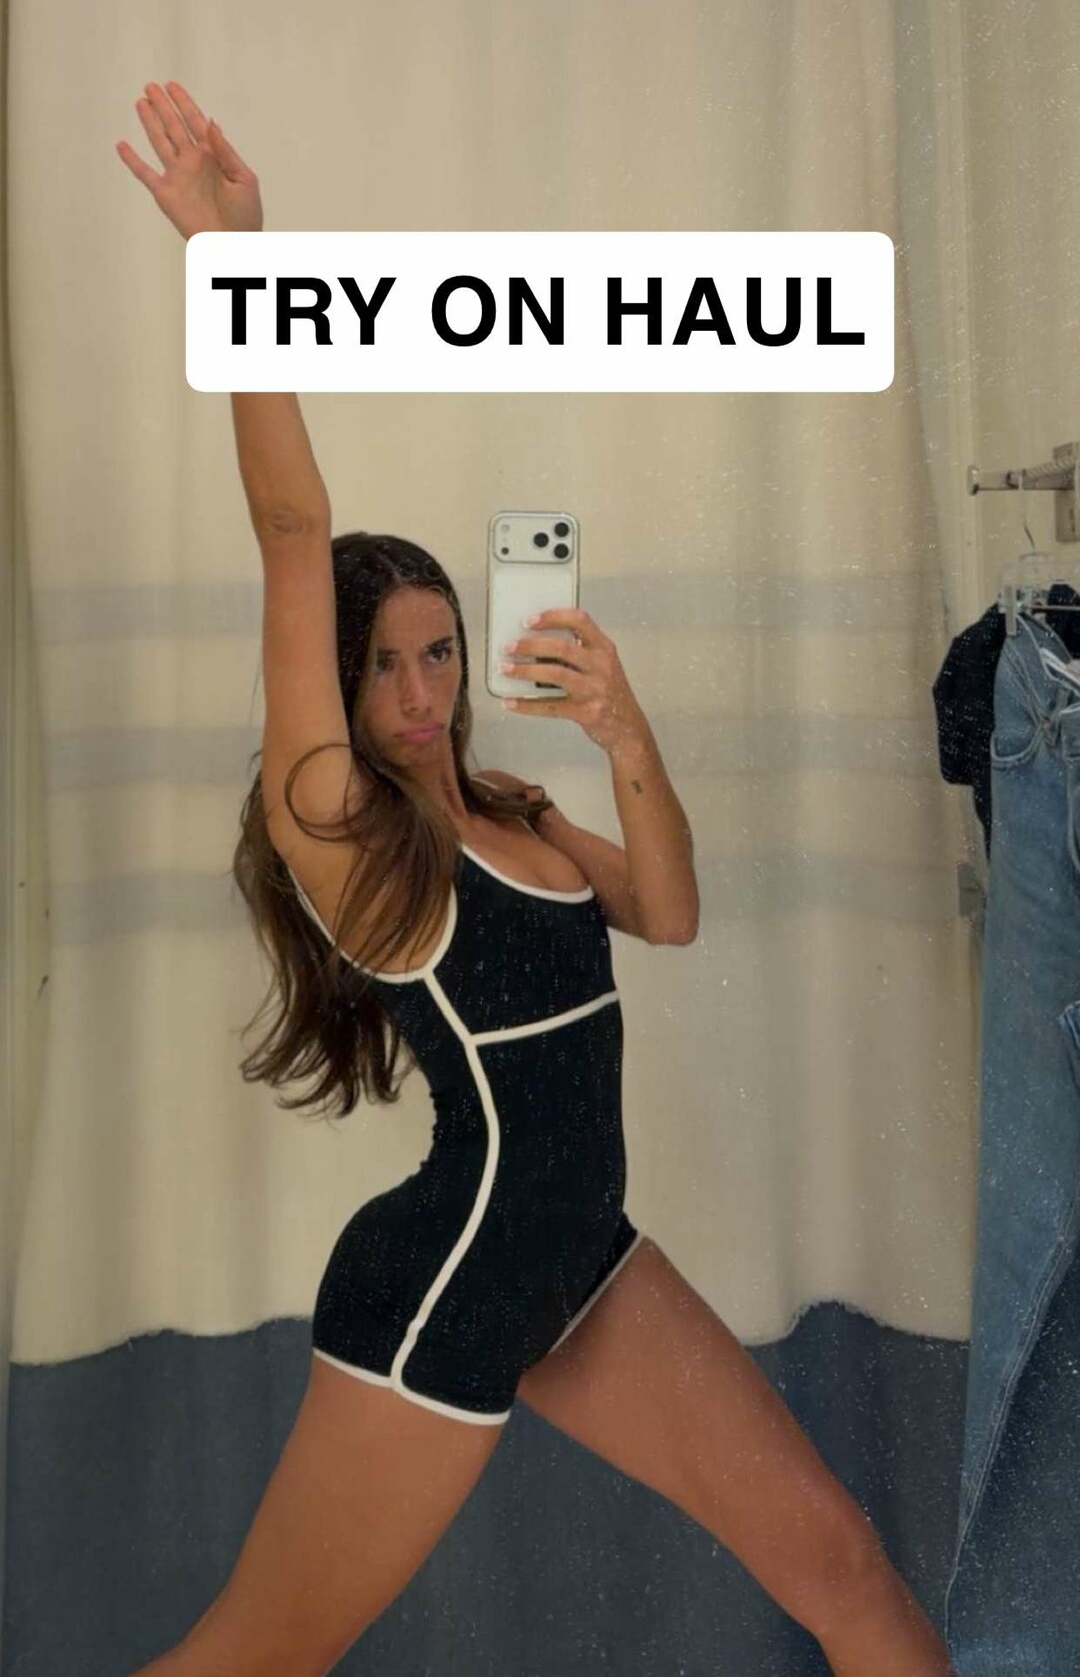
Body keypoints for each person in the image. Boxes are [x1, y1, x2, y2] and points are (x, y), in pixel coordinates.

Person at [116, 81, 955, 1677]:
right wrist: (239, 266)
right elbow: (293, 529)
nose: (420, 690)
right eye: (383, 665)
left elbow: (671, 910)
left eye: (439, 651)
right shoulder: (347, 839)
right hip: (447, 1286)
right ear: (335, 692)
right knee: (256, 1656)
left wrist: (624, 726)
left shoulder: (513, 810)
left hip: (585, 1263)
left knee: (840, 1561)